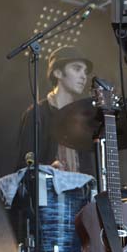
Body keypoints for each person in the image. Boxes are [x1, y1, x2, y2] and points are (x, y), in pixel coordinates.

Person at [17, 45, 94, 174]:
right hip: (48, 192)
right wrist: (46, 170)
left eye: (85, 72)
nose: (84, 76)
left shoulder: (84, 118)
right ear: (57, 73)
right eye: (77, 69)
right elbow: (24, 164)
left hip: (81, 192)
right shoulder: (37, 114)